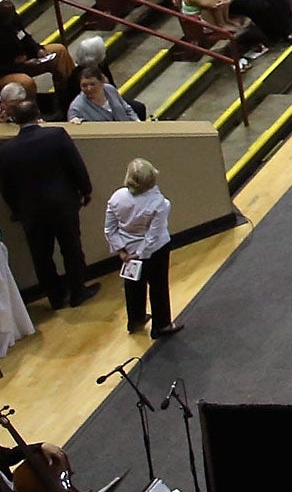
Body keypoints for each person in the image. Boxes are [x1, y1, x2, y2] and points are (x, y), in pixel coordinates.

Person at [0, 85, 94, 309]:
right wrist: (86, 190)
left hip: (31, 211)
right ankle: (78, 292)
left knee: (42, 257)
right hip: (62, 203)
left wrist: (17, 211)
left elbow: (6, 187)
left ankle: (55, 297)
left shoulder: (6, 150)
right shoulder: (56, 135)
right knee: (71, 248)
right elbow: (76, 166)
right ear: (38, 115)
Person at [104, 157, 176, 338]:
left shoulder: (116, 197)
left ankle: (135, 319)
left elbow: (110, 229)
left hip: (128, 250)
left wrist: (122, 252)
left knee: (132, 285)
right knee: (158, 286)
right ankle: (162, 325)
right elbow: (153, 235)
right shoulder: (160, 203)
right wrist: (141, 253)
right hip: (154, 252)